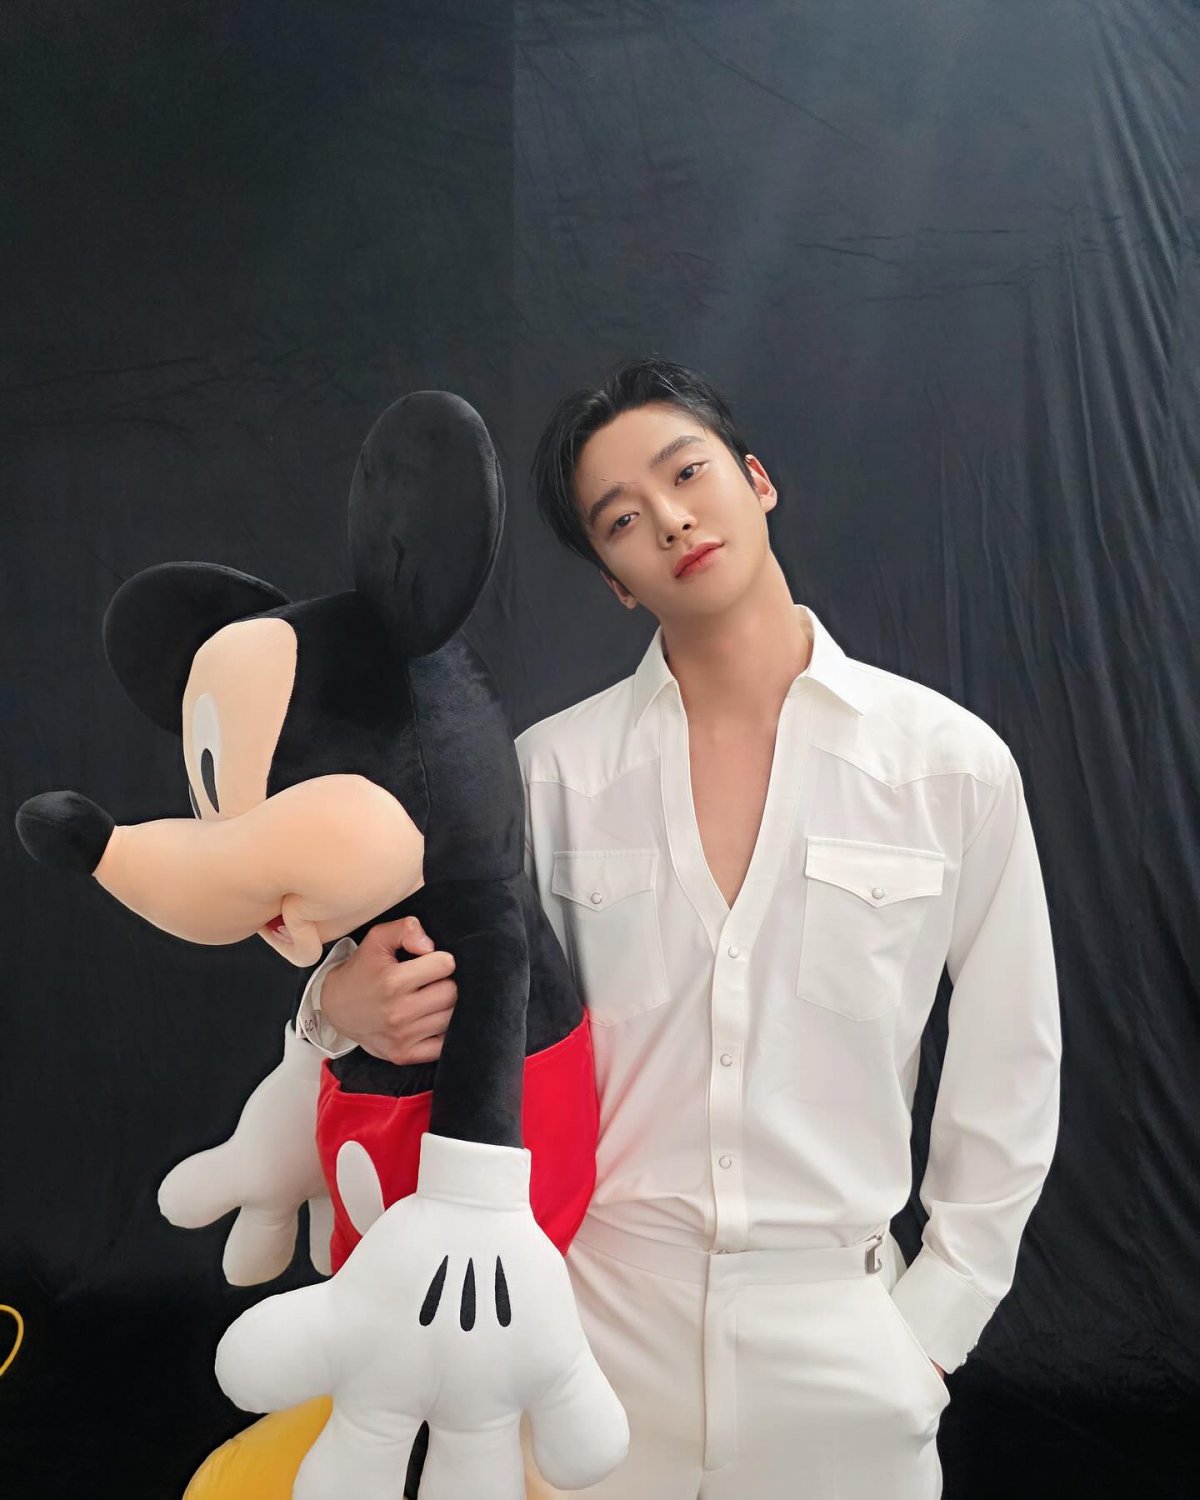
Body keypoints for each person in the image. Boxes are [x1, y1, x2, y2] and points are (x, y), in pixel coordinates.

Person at [293, 357, 1062, 1499]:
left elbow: (1011, 1068)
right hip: (594, 1332)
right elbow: (432, 990)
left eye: (687, 473)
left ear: (757, 480)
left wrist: (931, 1333)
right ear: (614, 581)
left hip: (847, 1339)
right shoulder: (548, 777)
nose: (668, 519)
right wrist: (330, 1007)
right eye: (620, 519)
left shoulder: (950, 767)